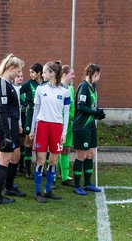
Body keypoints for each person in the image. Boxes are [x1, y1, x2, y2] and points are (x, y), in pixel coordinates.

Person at [29, 61, 70, 203]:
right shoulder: (40, 89)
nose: (43, 74)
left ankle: (48, 190)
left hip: (57, 128)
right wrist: (33, 129)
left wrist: (64, 133)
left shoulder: (65, 91)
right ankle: (38, 191)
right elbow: (36, 109)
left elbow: (66, 113)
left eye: (45, 72)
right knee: (40, 160)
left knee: (53, 161)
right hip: (42, 126)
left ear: (52, 73)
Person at [0, 54, 25, 205]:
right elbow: (2, 111)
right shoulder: (2, 84)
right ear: (10, 69)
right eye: (17, 71)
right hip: (6, 126)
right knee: (4, 160)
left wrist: (16, 124)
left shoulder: (7, 84)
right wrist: (6, 134)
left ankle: (9, 187)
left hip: (12, 124)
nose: (18, 74)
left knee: (15, 156)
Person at [72, 63, 105, 195]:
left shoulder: (94, 86)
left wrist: (98, 113)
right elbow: (81, 106)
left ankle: (87, 183)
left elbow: (92, 105)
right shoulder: (83, 87)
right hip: (82, 126)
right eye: (96, 75)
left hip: (91, 126)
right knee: (81, 155)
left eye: (98, 75)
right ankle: (77, 185)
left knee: (91, 154)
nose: (98, 78)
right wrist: (94, 112)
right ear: (90, 75)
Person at [20, 63, 44, 179]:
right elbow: (18, 92)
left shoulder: (46, 84)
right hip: (30, 115)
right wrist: (24, 105)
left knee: (42, 143)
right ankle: (27, 170)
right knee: (28, 142)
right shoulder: (29, 84)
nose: (30, 75)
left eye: (32, 72)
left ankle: (40, 168)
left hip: (43, 116)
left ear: (39, 73)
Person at [53, 65, 76, 188]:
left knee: (66, 150)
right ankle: (52, 178)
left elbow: (72, 107)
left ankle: (65, 177)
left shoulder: (71, 89)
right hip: (58, 125)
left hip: (69, 125)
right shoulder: (57, 88)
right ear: (64, 74)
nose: (74, 76)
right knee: (56, 151)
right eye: (72, 73)